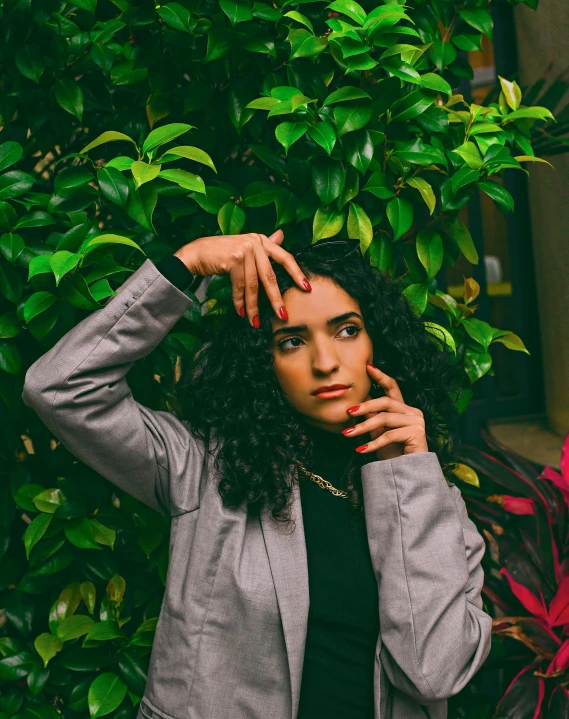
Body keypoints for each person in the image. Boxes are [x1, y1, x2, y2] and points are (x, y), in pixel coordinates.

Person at [22, 229, 493, 719]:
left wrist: (406, 474)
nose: (326, 362)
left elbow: (434, 673)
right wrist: (189, 263)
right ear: (262, 364)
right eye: (291, 341)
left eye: (347, 330)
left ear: (379, 341)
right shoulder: (206, 470)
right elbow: (60, 387)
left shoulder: (434, 503)